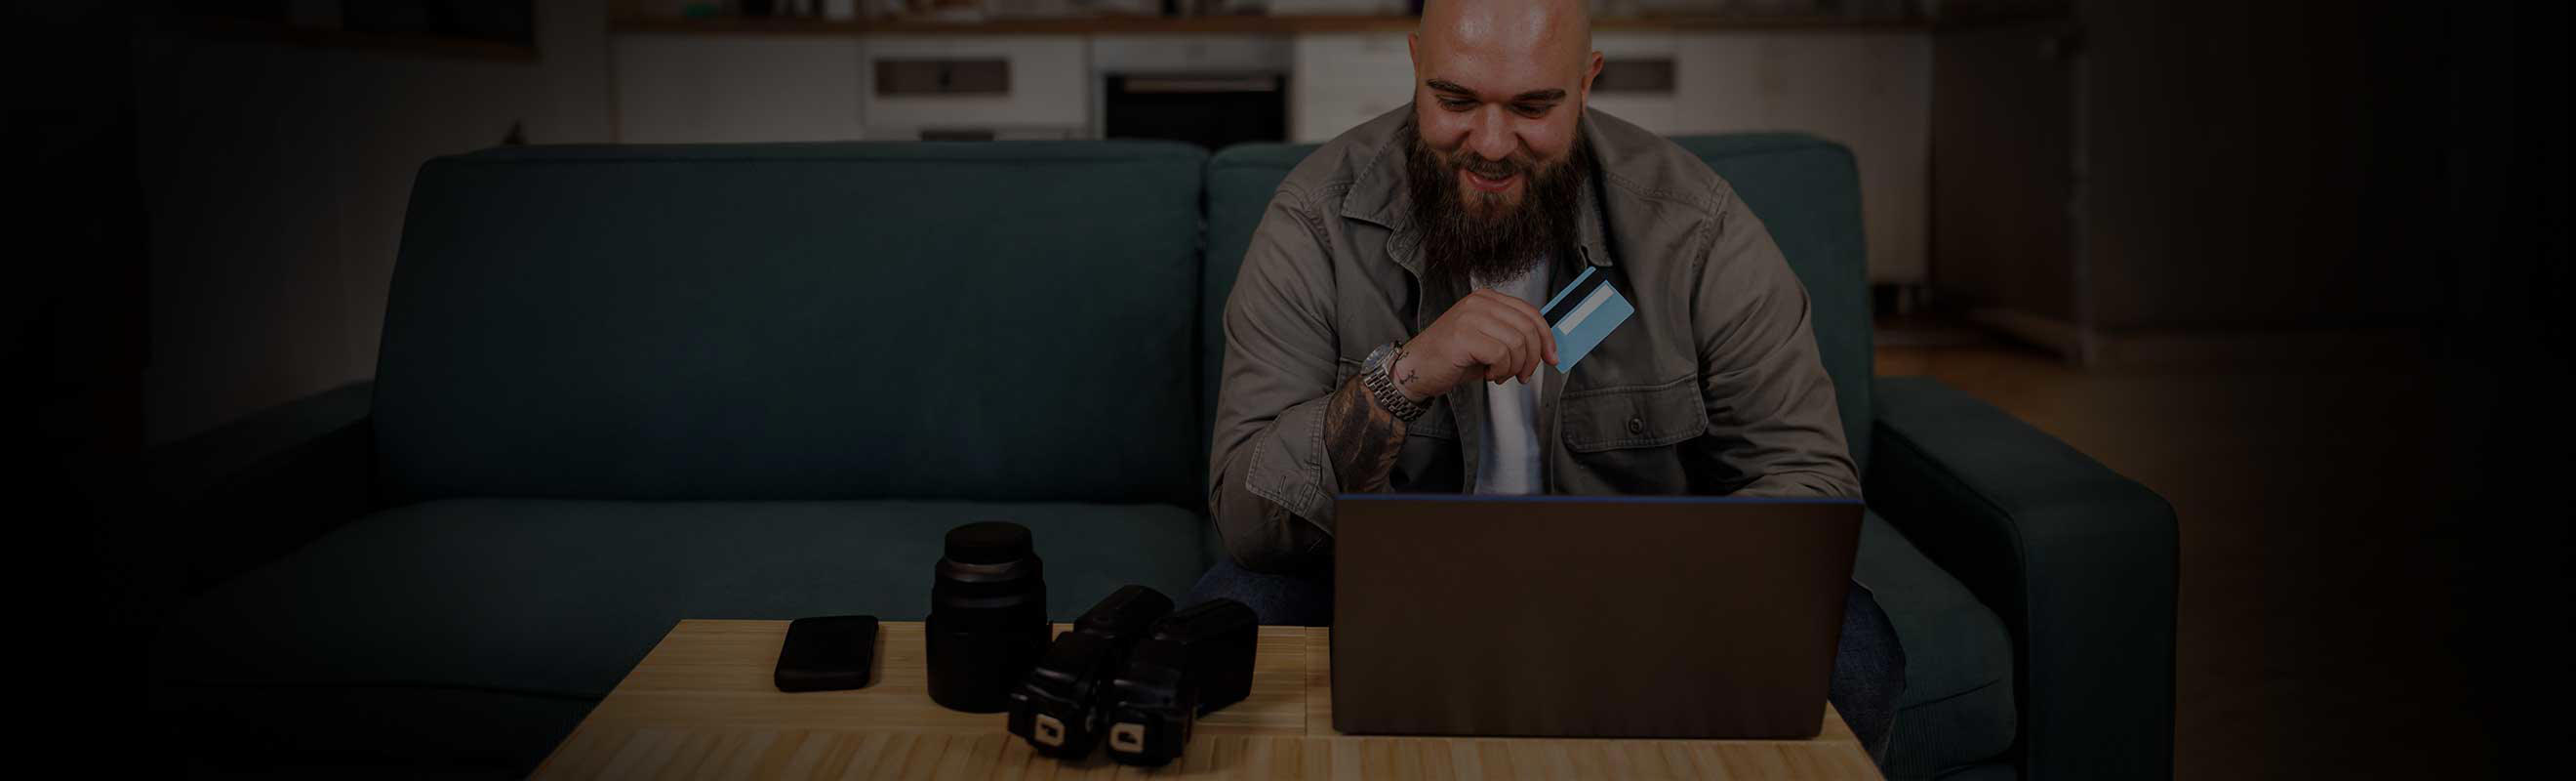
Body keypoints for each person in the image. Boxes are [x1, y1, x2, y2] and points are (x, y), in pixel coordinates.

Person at [1191, 0, 1907, 762]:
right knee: (1223, 617)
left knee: (1853, 652)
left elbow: (1806, 475)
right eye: (1455, 100)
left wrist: (1668, 598)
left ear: (1586, 82)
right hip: (1375, 594)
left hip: (1644, 596)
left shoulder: (1695, 228)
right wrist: (1402, 379)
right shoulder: (1315, 218)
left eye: (1533, 106)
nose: (1491, 145)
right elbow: (1246, 513)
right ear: (1414, 67)